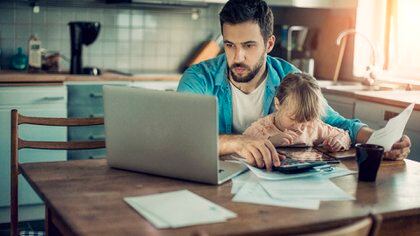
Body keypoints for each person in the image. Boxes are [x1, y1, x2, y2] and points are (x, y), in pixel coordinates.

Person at [177, 0, 411, 171]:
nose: (237, 57)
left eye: (248, 45)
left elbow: (337, 123)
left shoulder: (290, 77)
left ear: (269, 44)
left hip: (275, 181)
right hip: (215, 179)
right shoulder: (199, 77)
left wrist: (380, 140)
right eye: (229, 45)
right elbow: (182, 136)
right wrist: (237, 142)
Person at [244, 73, 351, 156]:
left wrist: (338, 142)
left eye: (306, 120)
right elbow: (242, 146)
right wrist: (270, 142)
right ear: (277, 104)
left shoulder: (313, 127)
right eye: (293, 118)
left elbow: (344, 135)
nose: (299, 126)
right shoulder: (262, 129)